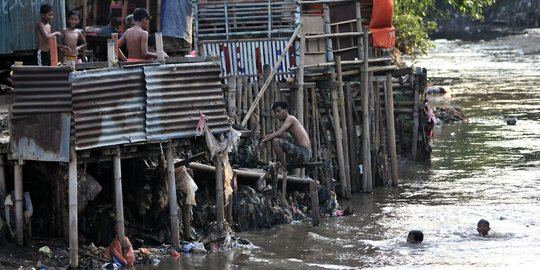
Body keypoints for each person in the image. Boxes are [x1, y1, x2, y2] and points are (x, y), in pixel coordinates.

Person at [260, 101, 312, 171]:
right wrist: (266, 137)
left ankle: (283, 167)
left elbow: (279, 133)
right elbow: (280, 134)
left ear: (286, 110)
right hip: (303, 152)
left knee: (276, 141)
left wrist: (264, 140)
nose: (277, 114)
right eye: (275, 112)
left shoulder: (290, 118)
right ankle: (283, 166)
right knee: (282, 136)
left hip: (304, 153)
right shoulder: (288, 121)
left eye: (279, 111)